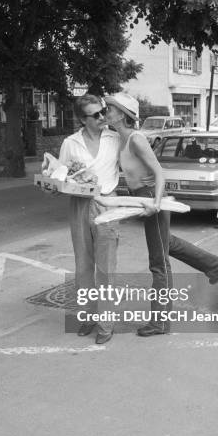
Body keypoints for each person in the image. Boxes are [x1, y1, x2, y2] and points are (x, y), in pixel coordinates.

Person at [103, 92, 218, 337]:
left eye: (111, 108)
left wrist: (156, 203)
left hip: (152, 196)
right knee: (166, 243)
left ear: (123, 114)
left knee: (158, 262)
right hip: (142, 197)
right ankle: (214, 265)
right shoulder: (120, 138)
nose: (106, 111)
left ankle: (160, 321)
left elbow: (159, 173)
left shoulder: (136, 139)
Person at [59, 94, 120, 345]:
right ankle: (87, 318)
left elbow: (134, 163)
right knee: (83, 265)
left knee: (106, 268)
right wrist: (56, 185)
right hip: (80, 205)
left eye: (102, 112)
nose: (102, 117)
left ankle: (106, 324)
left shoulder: (115, 138)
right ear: (82, 119)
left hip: (107, 204)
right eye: (95, 115)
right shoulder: (70, 143)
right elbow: (60, 175)